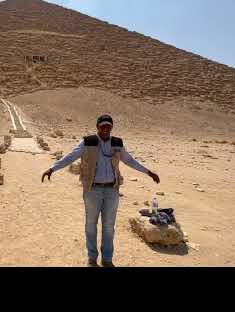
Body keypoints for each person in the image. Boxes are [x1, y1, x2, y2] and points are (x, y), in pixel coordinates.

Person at [41, 114, 160, 267]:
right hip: (92, 190)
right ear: (97, 127)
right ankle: (92, 258)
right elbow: (70, 157)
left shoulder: (117, 143)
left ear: (111, 128)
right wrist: (52, 168)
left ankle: (107, 259)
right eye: (102, 126)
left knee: (109, 226)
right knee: (91, 224)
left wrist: (148, 172)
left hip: (112, 190)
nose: (105, 129)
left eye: (108, 126)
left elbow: (129, 160)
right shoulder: (87, 142)